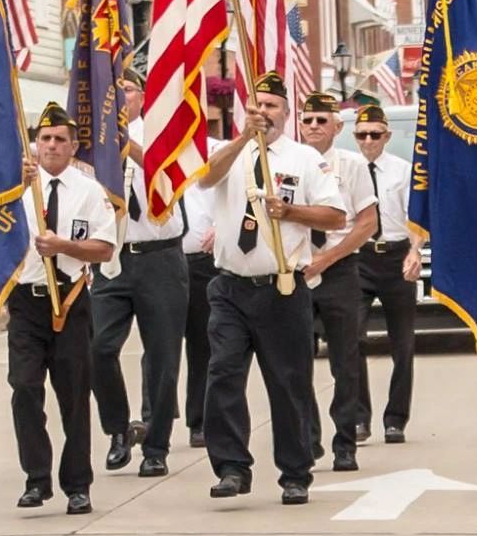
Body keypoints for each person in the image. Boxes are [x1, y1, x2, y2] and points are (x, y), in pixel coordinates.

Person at [199, 72, 346, 505]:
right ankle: (230, 467)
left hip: (282, 287)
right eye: (255, 105)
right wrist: (242, 139)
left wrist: (292, 210)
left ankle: (295, 472)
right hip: (229, 287)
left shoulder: (303, 159)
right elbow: (205, 179)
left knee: (288, 383)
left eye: (270, 106)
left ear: (286, 113)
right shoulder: (229, 154)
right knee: (223, 373)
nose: (262, 113)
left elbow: (336, 216)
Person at [3, 102, 116, 514]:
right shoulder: (14, 188)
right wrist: (11, 186)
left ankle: (77, 484)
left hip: (69, 301)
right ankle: (36, 478)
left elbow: (104, 249)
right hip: (26, 302)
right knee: (24, 388)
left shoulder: (89, 191)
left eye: (59, 140)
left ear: (73, 147)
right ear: (35, 144)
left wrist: (64, 246)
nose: (51, 145)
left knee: (73, 396)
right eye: (45, 139)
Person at [91, 70, 189, 478]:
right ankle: (118, 428)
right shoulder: (93, 142)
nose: (119, 98)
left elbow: (167, 175)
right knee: (98, 348)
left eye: (126, 91)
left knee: (163, 358)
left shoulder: (165, 131)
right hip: (111, 259)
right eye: (111, 93)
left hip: (159, 257)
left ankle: (156, 445)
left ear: (142, 95)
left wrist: (126, 146)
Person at [297, 90, 379, 473]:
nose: (313, 126)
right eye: (308, 120)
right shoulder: (288, 163)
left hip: (339, 269)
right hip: (296, 273)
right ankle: (307, 438)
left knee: (345, 361)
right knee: (295, 362)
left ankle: (345, 442)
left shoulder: (352, 165)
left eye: (321, 120)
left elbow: (367, 223)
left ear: (337, 126)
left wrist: (326, 258)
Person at [349, 104, 418, 446]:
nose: (368, 141)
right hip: (360, 259)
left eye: (375, 134)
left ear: (386, 136)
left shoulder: (402, 171)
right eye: (362, 135)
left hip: (395, 257)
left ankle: (396, 419)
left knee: (402, 343)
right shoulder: (347, 170)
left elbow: (414, 217)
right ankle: (360, 418)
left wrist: (415, 251)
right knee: (353, 338)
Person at [180, 181, 216, 450]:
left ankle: (200, 420)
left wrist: (222, 226)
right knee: (159, 346)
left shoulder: (216, 153)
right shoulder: (153, 151)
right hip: (160, 258)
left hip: (202, 261)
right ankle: (153, 419)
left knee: (202, 343)